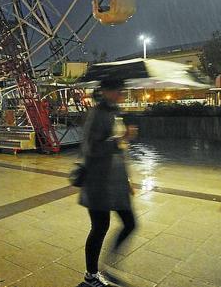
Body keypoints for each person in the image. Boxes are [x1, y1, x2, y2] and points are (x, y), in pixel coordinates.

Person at [80, 79, 137, 287]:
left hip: (116, 180)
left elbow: (119, 148)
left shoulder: (116, 111)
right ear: (105, 91)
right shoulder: (96, 114)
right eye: (116, 89)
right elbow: (90, 149)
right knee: (100, 227)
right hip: (98, 182)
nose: (120, 93)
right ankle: (91, 276)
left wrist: (128, 177)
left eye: (121, 89)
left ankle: (110, 263)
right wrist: (119, 138)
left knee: (130, 223)